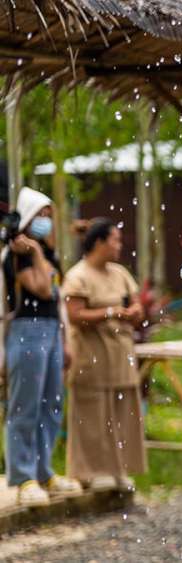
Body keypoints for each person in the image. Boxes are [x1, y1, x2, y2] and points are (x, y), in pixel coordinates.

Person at [2, 187, 82, 506]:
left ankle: (44, 470)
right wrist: (34, 253)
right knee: (25, 405)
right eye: (40, 215)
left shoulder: (48, 255)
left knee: (51, 403)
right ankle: (23, 476)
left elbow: (56, 299)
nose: (46, 221)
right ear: (27, 217)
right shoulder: (18, 254)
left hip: (51, 330)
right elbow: (43, 289)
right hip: (26, 330)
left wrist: (64, 341)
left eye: (49, 215)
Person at [62, 218, 147, 491]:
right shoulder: (78, 276)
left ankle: (118, 468)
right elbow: (74, 315)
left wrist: (134, 313)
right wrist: (111, 312)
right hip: (91, 357)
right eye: (115, 240)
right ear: (99, 242)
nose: (119, 246)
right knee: (93, 418)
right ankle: (91, 471)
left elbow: (137, 307)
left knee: (121, 415)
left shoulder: (120, 273)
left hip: (121, 356)